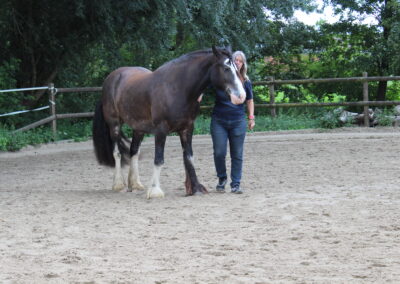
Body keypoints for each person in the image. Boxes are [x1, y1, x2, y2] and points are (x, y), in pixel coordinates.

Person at [211, 50, 255, 194]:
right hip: (219, 120)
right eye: (235, 60)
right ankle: (222, 178)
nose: (237, 62)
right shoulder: (221, 79)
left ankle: (235, 184)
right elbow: (203, 83)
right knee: (219, 152)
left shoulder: (245, 82)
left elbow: (249, 100)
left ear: (243, 64)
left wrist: (251, 117)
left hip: (238, 121)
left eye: (240, 60)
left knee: (237, 154)